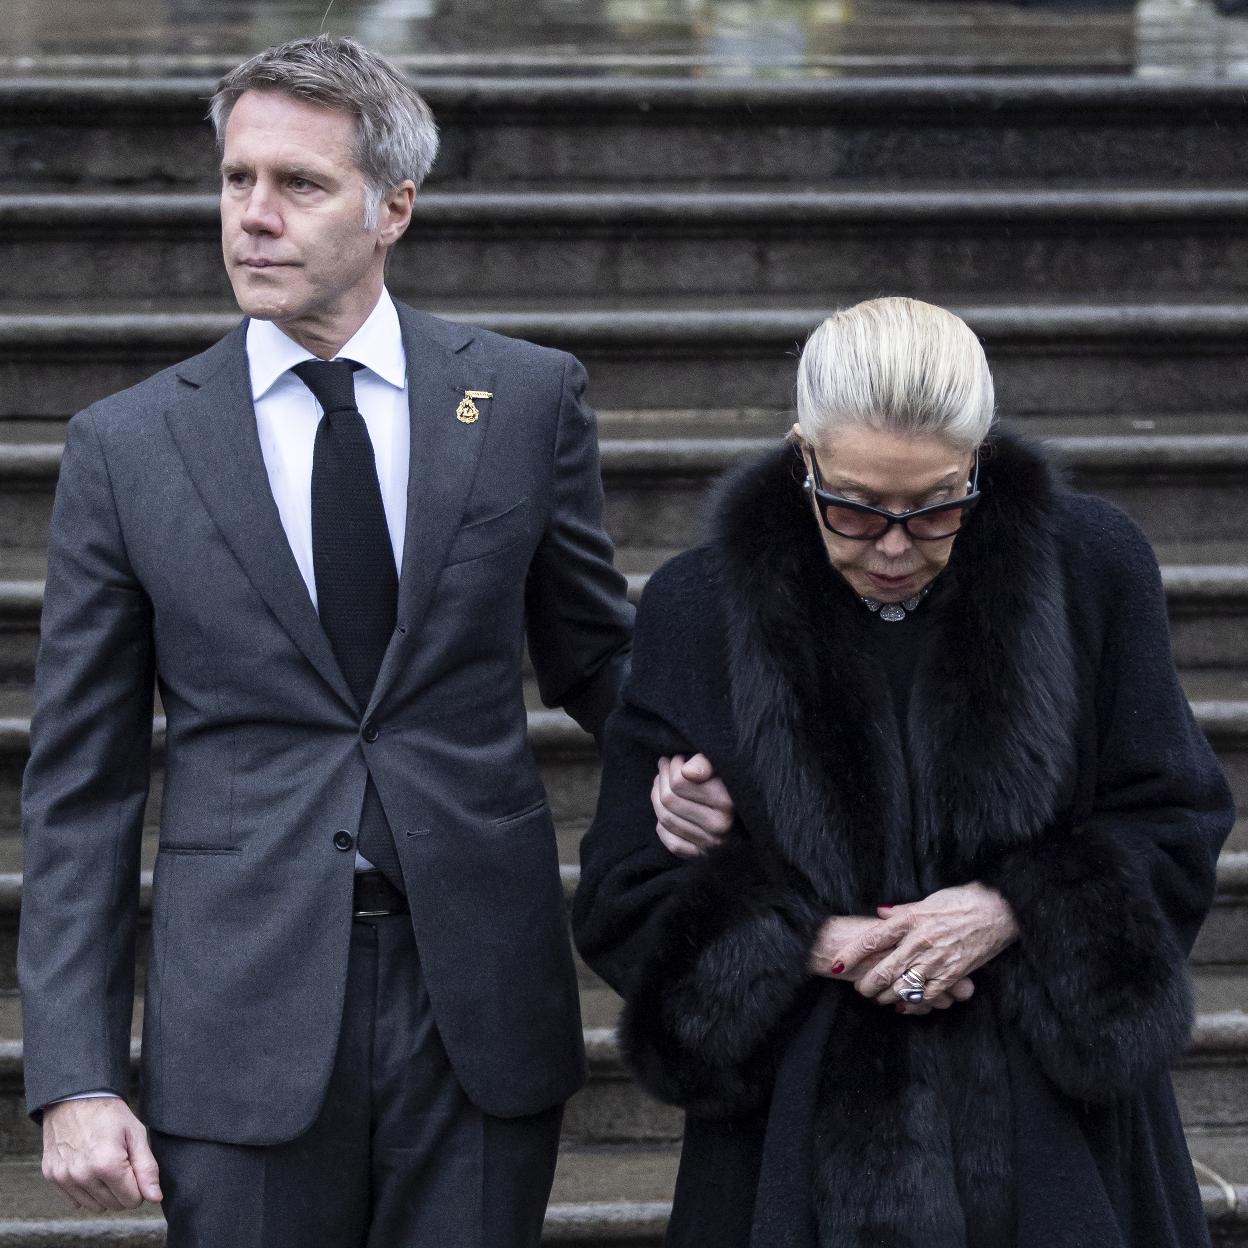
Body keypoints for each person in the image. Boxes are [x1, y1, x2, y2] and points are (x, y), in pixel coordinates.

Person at [19, 34, 731, 1246]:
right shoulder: (127, 447)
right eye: (237, 180)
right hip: (239, 1015)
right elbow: (81, 787)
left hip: (478, 999)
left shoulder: (520, 400)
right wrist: (78, 1077)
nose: (254, 216)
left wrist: (693, 759)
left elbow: (597, 655)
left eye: (300, 185)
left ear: (394, 205)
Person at [573, 296, 1234, 1248]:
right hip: (793, 1128)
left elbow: (1174, 817)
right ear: (802, 456)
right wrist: (817, 939)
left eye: (935, 508)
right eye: (852, 506)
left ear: (981, 462)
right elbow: (623, 893)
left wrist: (1013, 908)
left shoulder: (1091, 566)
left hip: (1056, 1124)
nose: (891, 545)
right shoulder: (699, 605)